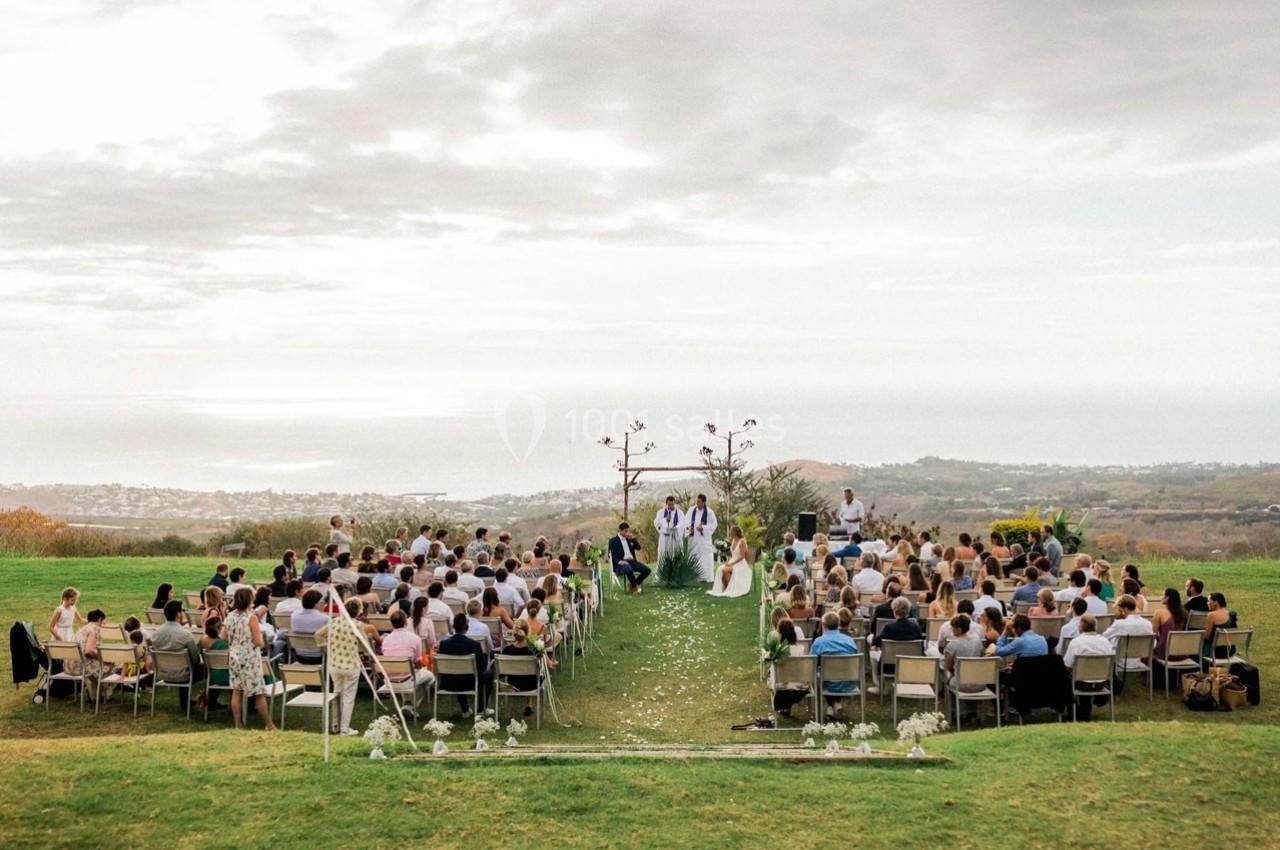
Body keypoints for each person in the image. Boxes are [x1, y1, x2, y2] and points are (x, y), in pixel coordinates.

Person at [222, 588, 276, 730]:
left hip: (234, 657)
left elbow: (223, 637)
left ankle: (238, 724)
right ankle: (269, 724)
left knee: (237, 690)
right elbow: (258, 642)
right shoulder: (251, 618)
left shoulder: (230, 616)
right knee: (258, 692)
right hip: (250, 659)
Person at [313, 599, 366, 735]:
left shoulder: (334, 622)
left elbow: (318, 634)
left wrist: (326, 646)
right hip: (351, 665)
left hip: (335, 664)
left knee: (336, 694)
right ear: (357, 611)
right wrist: (362, 651)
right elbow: (365, 644)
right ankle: (344, 728)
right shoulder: (357, 625)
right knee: (348, 697)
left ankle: (335, 724)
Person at [150, 600, 203, 709]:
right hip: (183, 675)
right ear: (178, 614)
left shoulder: (155, 634)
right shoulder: (185, 634)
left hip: (164, 673)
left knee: (182, 665)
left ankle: (185, 702)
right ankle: (209, 700)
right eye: (182, 611)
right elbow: (195, 659)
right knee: (205, 668)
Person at [437, 612, 491, 716]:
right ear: (467, 627)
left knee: (457, 671)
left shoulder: (444, 644)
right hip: (470, 682)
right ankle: (481, 708)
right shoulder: (474, 645)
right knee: (488, 674)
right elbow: (483, 667)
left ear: (453, 627)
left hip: (449, 682)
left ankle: (465, 709)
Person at [810, 611, 859, 719]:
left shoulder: (819, 642)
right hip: (848, 681)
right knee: (828, 675)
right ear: (838, 624)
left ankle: (831, 705)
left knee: (819, 675)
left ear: (823, 625)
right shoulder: (849, 641)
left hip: (828, 683)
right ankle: (834, 704)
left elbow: (811, 663)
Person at [65, 609, 113, 703]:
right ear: (99, 619)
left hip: (69, 666)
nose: (105, 623)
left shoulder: (84, 628)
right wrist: (104, 658)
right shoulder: (95, 629)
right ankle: (101, 695)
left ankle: (94, 693)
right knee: (111, 664)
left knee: (99, 664)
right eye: (104, 620)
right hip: (80, 667)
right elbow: (88, 651)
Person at [381, 609, 435, 691]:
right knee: (429, 675)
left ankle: (409, 700)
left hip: (389, 681)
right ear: (406, 622)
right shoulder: (415, 638)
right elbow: (418, 664)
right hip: (408, 681)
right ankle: (415, 698)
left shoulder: (385, 640)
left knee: (416, 673)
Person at [499, 624, 541, 717]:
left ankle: (528, 705)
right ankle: (529, 705)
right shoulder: (533, 650)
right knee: (536, 675)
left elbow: (501, 672)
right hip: (531, 685)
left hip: (513, 684)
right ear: (527, 633)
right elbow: (540, 668)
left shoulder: (507, 650)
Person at [943, 614, 985, 702]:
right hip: (980, 683)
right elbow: (981, 658)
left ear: (959, 629)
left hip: (960, 684)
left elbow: (949, 667)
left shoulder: (952, 645)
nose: (951, 630)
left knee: (946, 676)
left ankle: (953, 711)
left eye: (952, 628)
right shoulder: (978, 641)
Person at [1102, 595, 1154, 664]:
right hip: (1139, 661)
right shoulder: (1148, 624)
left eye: (1119, 610)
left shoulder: (1120, 624)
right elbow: (1153, 644)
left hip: (1120, 661)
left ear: (1125, 609)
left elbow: (1104, 638)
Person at [709, 525, 753, 598]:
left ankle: (731, 589)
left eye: (731, 532)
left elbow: (742, 557)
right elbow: (733, 555)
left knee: (725, 570)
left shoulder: (742, 541)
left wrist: (732, 563)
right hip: (733, 561)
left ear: (735, 533)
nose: (730, 533)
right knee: (720, 569)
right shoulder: (733, 540)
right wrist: (729, 562)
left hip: (740, 563)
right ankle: (725, 588)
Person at [608, 522, 651, 595]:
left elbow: (638, 548)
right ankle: (634, 587)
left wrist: (633, 539)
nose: (627, 533)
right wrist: (620, 561)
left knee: (647, 570)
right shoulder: (613, 541)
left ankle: (633, 585)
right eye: (625, 531)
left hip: (632, 561)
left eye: (627, 531)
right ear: (620, 530)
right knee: (628, 569)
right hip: (623, 562)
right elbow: (610, 555)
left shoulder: (629, 539)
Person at [289, 590, 330, 663]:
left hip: (299, 654)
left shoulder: (294, 615)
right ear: (315, 604)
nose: (322, 604)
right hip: (319, 656)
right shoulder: (325, 619)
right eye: (320, 602)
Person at [684, 494, 718, 581]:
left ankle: (706, 576)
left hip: (704, 540)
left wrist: (703, 528)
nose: (697, 503)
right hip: (693, 538)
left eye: (699, 501)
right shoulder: (691, 510)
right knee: (694, 556)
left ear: (704, 502)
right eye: (697, 501)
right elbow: (685, 522)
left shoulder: (709, 512)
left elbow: (714, 525)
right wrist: (688, 528)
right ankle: (694, 576)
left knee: (705, 557)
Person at [1151, 587, 1187, 661]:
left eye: (1162, 595)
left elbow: (1153, 634)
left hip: (1164, 652)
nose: (1161, 597)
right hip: (1180, 652)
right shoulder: (1184, 613)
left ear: (1167, 598)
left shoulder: (1159, 613)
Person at [654, 495, 685, 562]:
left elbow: (682, 524)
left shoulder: (680, 513)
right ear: (666, 504)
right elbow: (657, 524)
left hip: (675, 538)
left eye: (672, 504)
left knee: (676, 557)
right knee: (663, 557)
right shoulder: (660, 512)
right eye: (669, 505)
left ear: (674, 503)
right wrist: (665, 520)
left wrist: (676, 528)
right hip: (665, 539)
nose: (671, 506)